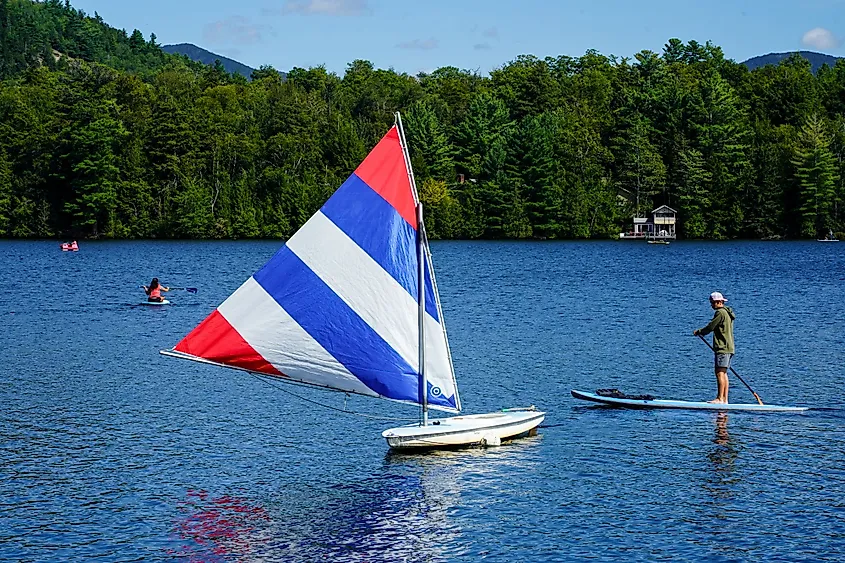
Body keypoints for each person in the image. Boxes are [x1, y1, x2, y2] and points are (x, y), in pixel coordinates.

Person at [693, 291, 736, 404]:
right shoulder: (727, 313)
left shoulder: (720, 313)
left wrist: (699, 332)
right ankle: (725, 399)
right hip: (729, 347)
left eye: (712, 303)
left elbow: (711, 326)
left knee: (719, 372)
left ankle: (720, 398)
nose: (712, 305)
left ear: (718, 302)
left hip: (722, 347)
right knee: (724, 372)